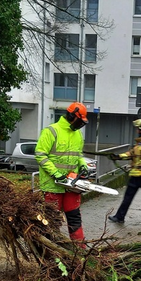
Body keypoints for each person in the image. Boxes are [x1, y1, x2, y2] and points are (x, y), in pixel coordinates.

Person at [35, 102, 90, 242]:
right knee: (51, 221)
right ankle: (50, 252)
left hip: (71, 184)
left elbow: (78, 156)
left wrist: (83, 165)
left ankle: (80, 250)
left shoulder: (77, 134)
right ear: (72, 116)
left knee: (74, 218)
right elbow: (41, 155)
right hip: (53, 185)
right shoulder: (51, 131)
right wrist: (55, 173)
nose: (80, 125)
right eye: (79, 120)